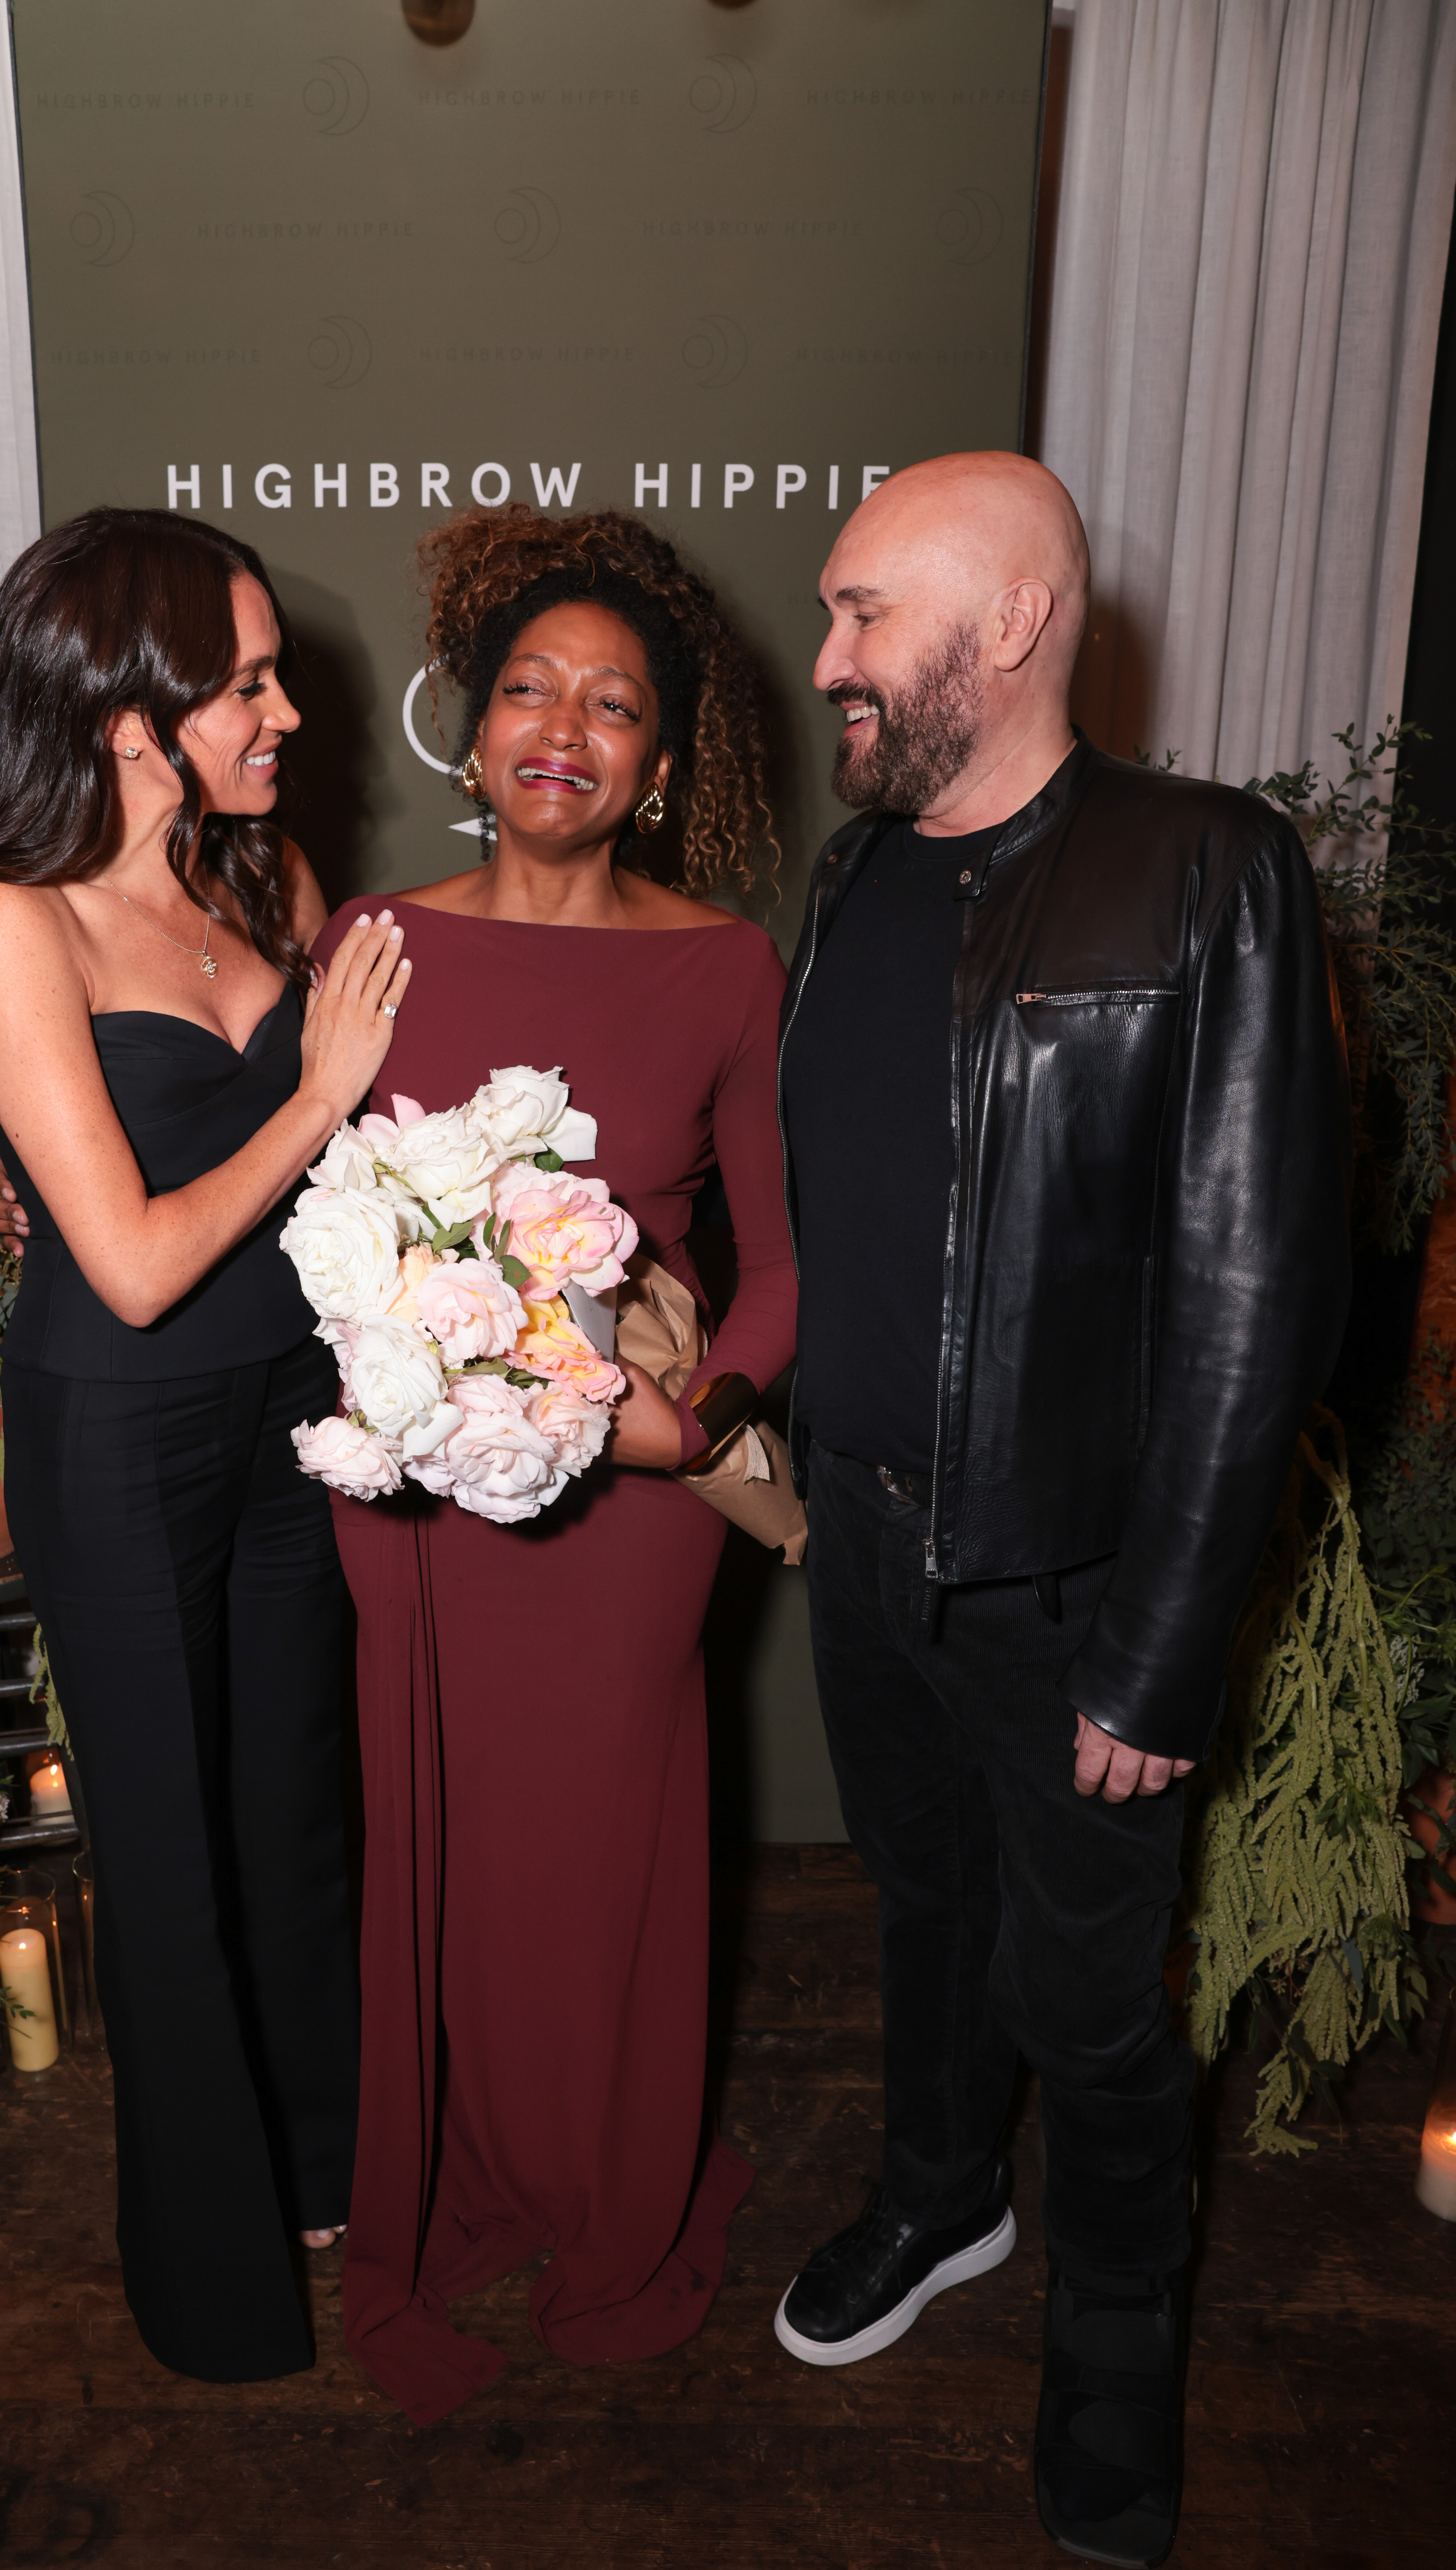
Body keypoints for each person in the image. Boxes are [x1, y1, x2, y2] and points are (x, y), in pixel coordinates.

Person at [774, 453, 1350, 2566]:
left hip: (1073, 1596)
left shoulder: (1204, 868)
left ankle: (1113, 2352)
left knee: (1099, 2016)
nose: (824, 657)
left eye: (861, 616)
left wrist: (1162, 1640)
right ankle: (938, 2196)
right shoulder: (847, 883)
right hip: (864, 1546)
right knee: (918, 1923)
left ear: (1007, 625)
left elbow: (1255, 1290)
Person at [0, 507, 412, 2382]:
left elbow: (342, 1187)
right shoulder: (1, 918)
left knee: (294, 1811)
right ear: (128, 710)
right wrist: (325, 1092)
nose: (284, 711)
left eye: (275, 672)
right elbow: (123, 1263)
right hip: (115, 1434)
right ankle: (212, 2280)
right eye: (246, 680)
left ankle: (331, 2174)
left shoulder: (254, 881)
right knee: (169, 1853)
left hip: (292, 1415)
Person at [314, 507, 796, 2425]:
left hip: (626, 1501)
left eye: (611, 709)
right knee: (443, 1843)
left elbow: (786, 1251)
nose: (563, 730)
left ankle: (605, 2187)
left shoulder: (726, 964)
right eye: (530, 690)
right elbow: (310, 1200)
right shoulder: (374, 946)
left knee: (597, 1855)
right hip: (418, 1493)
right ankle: (463, 2173)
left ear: (659, 767)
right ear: (474, 726)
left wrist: (703, 1413)